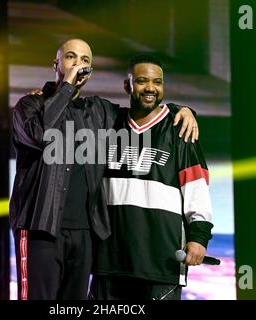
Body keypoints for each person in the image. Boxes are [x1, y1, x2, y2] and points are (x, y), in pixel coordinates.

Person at [9, 39, 199, 300]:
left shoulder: (97, 112)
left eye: (85, 60)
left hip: (85, 235)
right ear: (56, 64)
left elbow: (142, 107)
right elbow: (42, 134)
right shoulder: (29, 106)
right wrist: (65, 88)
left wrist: (183, 110)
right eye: (71, 57)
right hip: (41, 229)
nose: (78, 65)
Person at [90, 54, 213, 300]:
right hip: (109, 263)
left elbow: (197, 189)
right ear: (127, 85)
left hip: (161, 264)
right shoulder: (109, 125)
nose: (150, 88)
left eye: (157, 82)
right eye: (142, 81)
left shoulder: (179, 130)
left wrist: (199, 238)